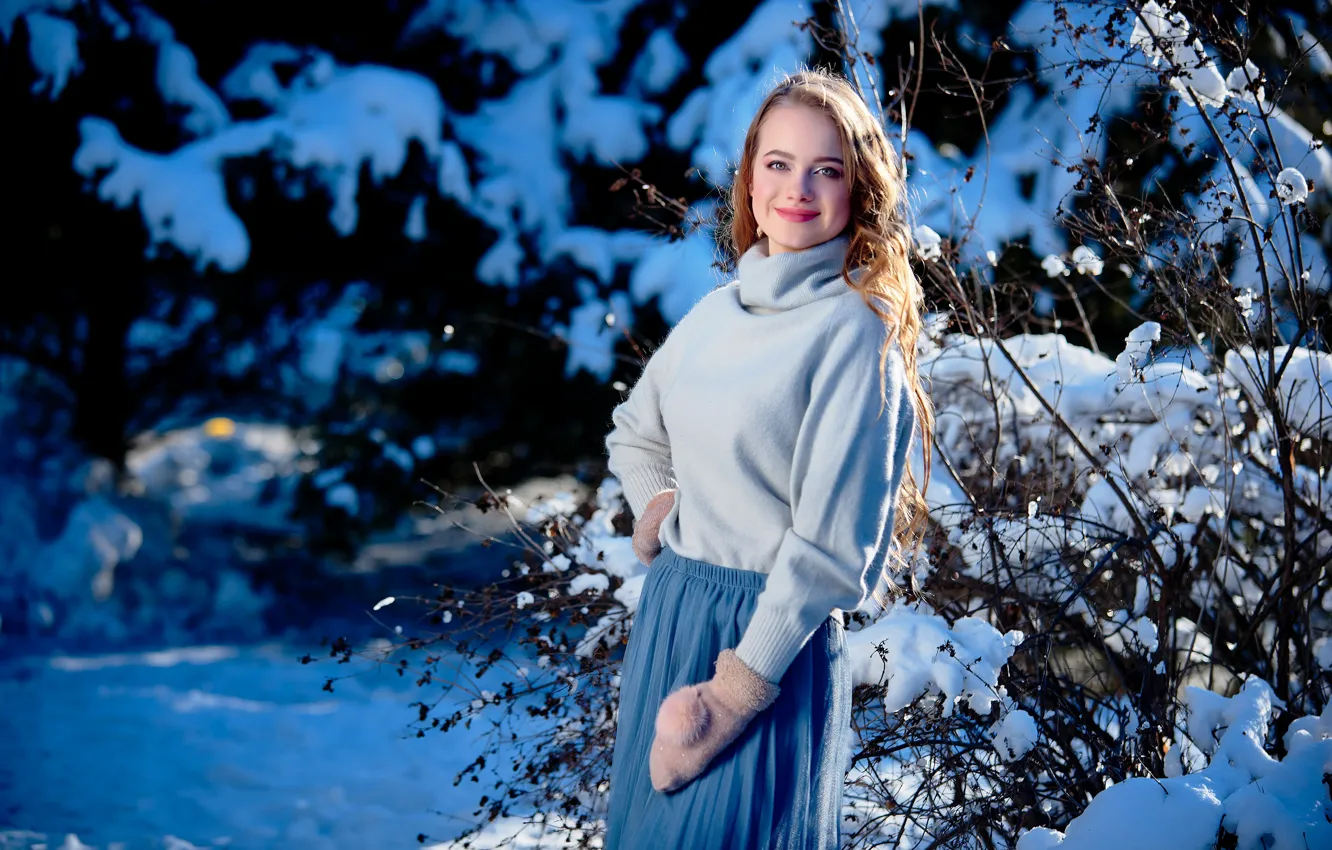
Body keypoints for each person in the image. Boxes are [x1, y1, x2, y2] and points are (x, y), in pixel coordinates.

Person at [602, 68, 934, 849]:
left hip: (764, 645)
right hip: (676, 611)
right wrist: (661, 506)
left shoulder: (856, 333)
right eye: (779, 163)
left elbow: (827, 553)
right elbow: (635, 431)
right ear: (750, 181)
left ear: (859, 190)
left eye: (827, 169)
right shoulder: (718, 314)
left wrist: (730, 698)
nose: (799, 189)